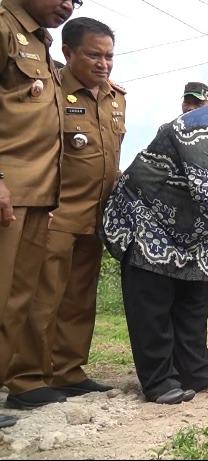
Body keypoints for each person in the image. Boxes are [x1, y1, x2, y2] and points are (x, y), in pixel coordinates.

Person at [101, 83, 208, 404]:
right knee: (153, 304)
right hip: (148, 217)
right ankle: (159, 382)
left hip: (192, 228)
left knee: (194, 302)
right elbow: (206, 191)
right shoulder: (200, 129)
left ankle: (198, 373)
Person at [6, 16, 122, 408]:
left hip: (96, 215)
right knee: (43, 299)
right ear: (68, 53)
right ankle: (27, 378)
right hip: (57, 211)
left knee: (79, 299)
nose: (103, 64)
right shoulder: (52, 90)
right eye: (94, 55)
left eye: (109, 56)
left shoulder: (116, 97)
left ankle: (68, 371)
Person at [0, 0, 78, 421]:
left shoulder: (38, 40)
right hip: (7, 189)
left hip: (36, 195)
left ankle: (16, 383)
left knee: (16, 300)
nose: (68, 5)